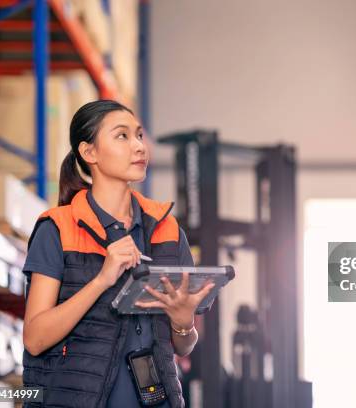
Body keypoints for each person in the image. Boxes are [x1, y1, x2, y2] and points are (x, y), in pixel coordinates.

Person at [21, 100, 214, 407]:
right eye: (122, 136)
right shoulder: (58, 229)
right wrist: (101, 280)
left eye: (139, 135)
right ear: (89, 153)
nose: (139, 146)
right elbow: (35, 337)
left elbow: (184, 346)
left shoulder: (167, 230)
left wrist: (183, 322)